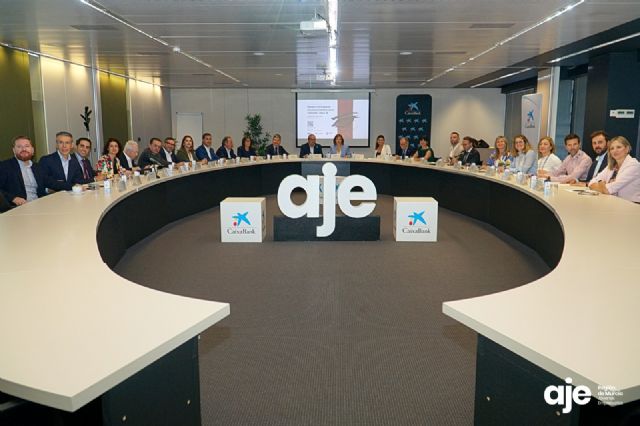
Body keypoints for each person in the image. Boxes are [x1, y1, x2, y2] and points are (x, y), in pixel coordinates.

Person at [589, 136, 640, 203]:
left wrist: (601, 186)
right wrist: (601, 186)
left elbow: (610, 189)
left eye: (619, 147)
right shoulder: (611, 166)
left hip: (632, 205)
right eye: (612, 148)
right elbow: (591, 183)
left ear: (627, 149)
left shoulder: (633, 165)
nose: (615, 150)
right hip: (615, 203)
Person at [0, 136, 47, 207]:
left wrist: (69, 186)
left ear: (32, 150)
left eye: (27, 146)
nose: (24, 149)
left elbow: (51, 182)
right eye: (19, 147)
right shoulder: (5, 166)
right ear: (14, 150)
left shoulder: (37, 167)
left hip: (39, 205)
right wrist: (13, 198)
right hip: (17, 208)